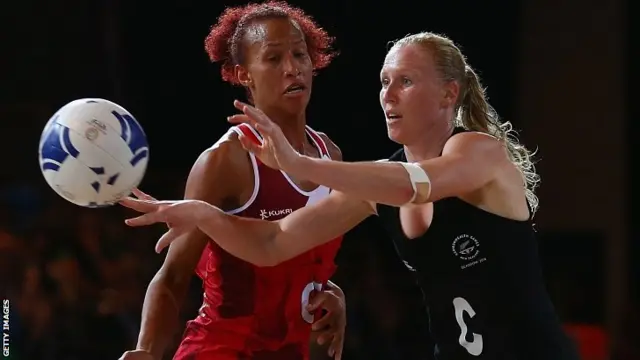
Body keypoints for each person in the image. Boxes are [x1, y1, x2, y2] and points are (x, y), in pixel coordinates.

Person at [121, 32, 580, 360]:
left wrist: (298, 165)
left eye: (405, 81)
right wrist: (203, 214)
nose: (388, 95)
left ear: (448, 93)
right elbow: (272, 242)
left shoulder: (479, 152)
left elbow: (414, 183)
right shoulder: (376, 183)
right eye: (384, 82)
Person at [119, 2, 348, 360]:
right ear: (244, 75)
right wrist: (145, 350)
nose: (292, 68)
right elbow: (173, 276)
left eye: (300, 54)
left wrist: (331, 292)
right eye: (273, 59)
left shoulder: (329, 155)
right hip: (224, 349)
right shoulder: (227, 161)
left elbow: (297, 258)